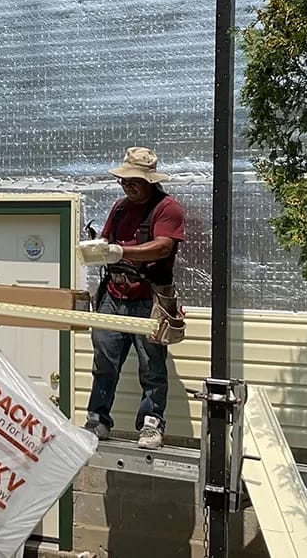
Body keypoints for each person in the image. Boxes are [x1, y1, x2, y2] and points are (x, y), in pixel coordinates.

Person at [77, 146, 185, 451]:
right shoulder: (120, 208)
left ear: (150, 182)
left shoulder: (167, 208)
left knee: (152, 365)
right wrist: (97, 250)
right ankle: (98, 420)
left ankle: (152, 424)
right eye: (124, 182)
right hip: (114, 293)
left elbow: (163, 247)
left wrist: (123, 252)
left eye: (133, 183)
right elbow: (108, 241)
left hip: (149, 299)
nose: (127, 187)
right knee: (104, 360)